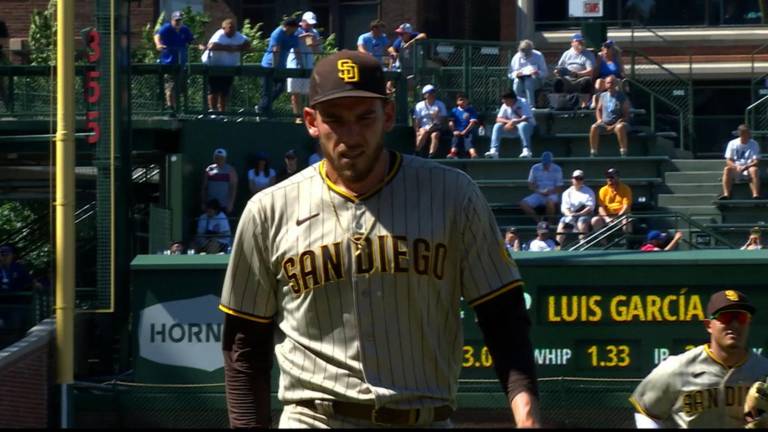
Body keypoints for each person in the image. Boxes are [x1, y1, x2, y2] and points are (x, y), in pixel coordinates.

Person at [219, 49, 540, 428]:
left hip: (424, 419)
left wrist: (527, 417)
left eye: (364, 117)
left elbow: (503, 316)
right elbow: (244, 346)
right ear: (311, 121)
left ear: (388, 115)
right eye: (335, 119)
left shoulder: (453, 195)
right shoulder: (268, 210)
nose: (351, 135)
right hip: (315, 417)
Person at [630, 290, 768, 428]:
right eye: (726, 317)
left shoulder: (763, 370)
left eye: (741, 318)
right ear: (709, 325)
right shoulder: (677, 368)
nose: (735, 324)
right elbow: (646, 411)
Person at [202, 18, 251, 113]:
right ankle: (213, 111)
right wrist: (229, 47)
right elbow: (211, 46)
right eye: (230, 28)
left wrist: (237, 47)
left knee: (225, 92)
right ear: (223, 28)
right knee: (213, 90)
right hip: (214, 66)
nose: (232, 30)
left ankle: (222, 112)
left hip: (229, 67)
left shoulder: (237, 35)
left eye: (234, 28)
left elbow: (248, 45)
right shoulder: (219, 34)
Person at [258, 18, 301, 118]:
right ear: (289, 27)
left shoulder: (294, 36)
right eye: (295, 28)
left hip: (282, 67)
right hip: (269, 65)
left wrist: (301, 64)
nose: (296, 30)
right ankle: (264, 111)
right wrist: (274, 68)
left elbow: (297, 51)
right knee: (266, 90)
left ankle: (262, 106)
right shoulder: (277, 33)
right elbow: (275, 51)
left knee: (280, 88)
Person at [153, 11, 195, 113]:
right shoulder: (167, 28)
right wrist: (158, 44)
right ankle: (170, 108)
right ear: (172, 20)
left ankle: (177, 109)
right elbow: (157, 35)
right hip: (168, 62)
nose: (178, 22)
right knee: (170, 86)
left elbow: (191, 40)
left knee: (179, 87)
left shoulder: (184, 29)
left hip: (181, 63)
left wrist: (199, 45)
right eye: (176, 20)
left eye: (180, 20)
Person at [287, 12, 321, 124]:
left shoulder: (314, 33)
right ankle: (298, 117)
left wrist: (315, 43)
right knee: (295, 93)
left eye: (312, 24)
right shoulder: (296, 31)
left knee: (309, 93)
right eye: (308, 23)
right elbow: (292, 41)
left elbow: (317, 51)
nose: (310, 25)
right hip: (294, 65)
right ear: (303, 22)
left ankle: (309, 117)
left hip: (308, 65)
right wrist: (304, 37)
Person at [485, 90, 536, 159]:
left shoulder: (523, 102)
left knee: (523, 125)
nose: (503, 101)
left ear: (511, 99)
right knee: (497, 126)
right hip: (511, 129)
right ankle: (494, 151)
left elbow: (526, 118)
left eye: (505, 99)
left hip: (528, 129)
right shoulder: (505, 105)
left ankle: (526, 151)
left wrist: (514, 122)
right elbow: (498, 119)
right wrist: (509, 122)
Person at [589, 74, 630, 157]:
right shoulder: (602, 95)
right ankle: (593, 151)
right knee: (594, 127)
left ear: (616, 84)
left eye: (612, 83)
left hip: (618, 123)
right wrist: (599, 120)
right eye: (608, 83)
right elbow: (598, 109)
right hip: (605, 123)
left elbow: (626, 115)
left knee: (620, 127)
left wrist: (615, 125)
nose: (610, 85)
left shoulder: (622, 96)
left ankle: (623, 151)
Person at [519, 151, 563, 224]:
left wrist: (549, 192)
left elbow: (559, 187)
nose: (546, 165)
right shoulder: (535, 168)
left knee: (549, 202)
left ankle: (550, 223)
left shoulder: (557, 169)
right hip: (538, 193)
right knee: (523, 203)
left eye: (547, 163)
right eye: (544, 163)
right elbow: (530, 184)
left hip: (552, 194)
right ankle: (539, 222)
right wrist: (538, 190)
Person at [553, 33, 596, 108]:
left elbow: (590, 71)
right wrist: (557, 71)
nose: (581, 44)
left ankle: (584, 104)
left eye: (582, 42)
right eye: (578, 42)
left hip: (580, 78)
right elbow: (559, 67)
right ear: (572, 43)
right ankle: (561, 102)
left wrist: (577, 74)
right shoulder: (566, 54)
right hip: (567, 79)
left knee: (586, 81)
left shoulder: (588, 54)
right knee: (557, 81)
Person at [719, 124, 761, 200]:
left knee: (754, 170)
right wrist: (736, 166)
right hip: (736, 167)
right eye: (743, 133)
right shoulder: (732, 143)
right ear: (740, 134)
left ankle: (755, 194)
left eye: (747, 133)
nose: (746, 135)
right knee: (727, 169)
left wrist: (746, 166)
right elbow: (728, 160)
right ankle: (726, 194)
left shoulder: (754, 144)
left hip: (748, 167)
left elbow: (756, 161)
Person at [556, 169, 595, 245]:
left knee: (582, 220)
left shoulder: (589, 191)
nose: (578, 180)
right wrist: (570, 215)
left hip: (585, 215)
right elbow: (565, 208)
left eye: (581, 178)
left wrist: (580, 214)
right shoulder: (567, 192)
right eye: (576, 178)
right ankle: (557, 247)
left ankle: (583, 244)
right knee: (562, 221)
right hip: (571, 215)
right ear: (572, 179)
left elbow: (590, 207)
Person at [386, 23, 427, 93]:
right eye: (399, 34)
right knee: (393, 61)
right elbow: (390, 48)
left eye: (402, 34)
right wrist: (393, 52)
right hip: (404, 66)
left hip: (416, 67)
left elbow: (423, 35)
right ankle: (390, 85)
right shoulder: (400, 40)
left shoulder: (414, 36)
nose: (400, 36)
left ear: (408, 33)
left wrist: (410, 43)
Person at [508, 39, 548, 108]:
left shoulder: (538, 55)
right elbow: (510, 73)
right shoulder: (516, 57)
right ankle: (519, 105)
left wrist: (537, 72)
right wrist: (516, 74)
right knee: (517, 82)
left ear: (531, 49)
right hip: (520, 79)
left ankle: (530, 106)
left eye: (527, 51)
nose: (525, 53)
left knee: (528, 82)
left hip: (536, 80)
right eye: (523, 51)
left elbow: (545, 72)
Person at [591, 168, 632, 233]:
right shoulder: (603, 190)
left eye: (611, 177)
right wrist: (607, 218)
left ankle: (626, 239)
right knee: (595, 220)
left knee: (626, 221)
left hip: (621, 215)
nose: (609, 179)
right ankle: (602, 239)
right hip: (607, 216)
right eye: (608, 177)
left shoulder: (625, 188)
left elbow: (626, 206)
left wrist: (618, 217)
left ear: (618, 178)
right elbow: (601, 207)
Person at [413, 84, 447, 158]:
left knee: (435, 135)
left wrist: (436, 117)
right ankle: (417, 151)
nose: (432, 95)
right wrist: (417, 130)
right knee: (423, 132)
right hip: (424, 127)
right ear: (425, 95)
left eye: (433, 92)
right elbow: (417, 120)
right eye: (430, 93)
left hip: (436, 127)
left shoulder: (440, 104)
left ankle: (431, 155)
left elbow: (443, 119)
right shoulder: (419, 105)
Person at [201, 148, 238, 214]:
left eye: (221, 158)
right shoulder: (209, 169)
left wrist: (230, 204)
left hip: (224, 205)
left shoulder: (231, 170)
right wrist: (203, 202)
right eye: (217, 158)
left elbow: (233, 188)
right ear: (214, 158)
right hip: (210, 205)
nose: (219, 160)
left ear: (225, 159)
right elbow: (204, 187)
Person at [591, 40, 625, 109]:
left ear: (613, 49)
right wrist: (598, 61)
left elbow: (622, 73)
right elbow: (595, 73)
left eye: (608, 47)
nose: (606, 49)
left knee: (618, 82)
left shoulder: (617, 58)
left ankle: (620, 103)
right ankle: (595, 102)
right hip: (604, 81)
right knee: (598, 81)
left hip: (615, 80)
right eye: (605, 47)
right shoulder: (600, 57)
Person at [447, 93, 479, 159]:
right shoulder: (454, 111)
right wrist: (454, 131)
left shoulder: (471, 110)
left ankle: (473, 154)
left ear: (467, 101)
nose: (463, 101)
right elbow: (451, 123)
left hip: (468, 131)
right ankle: (452, 154)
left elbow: (472, 123)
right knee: (455, 140)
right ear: (457, 102)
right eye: (460, 100)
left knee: (469, 141)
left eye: (464, 99)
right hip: (457, 131)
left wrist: (465, 131)